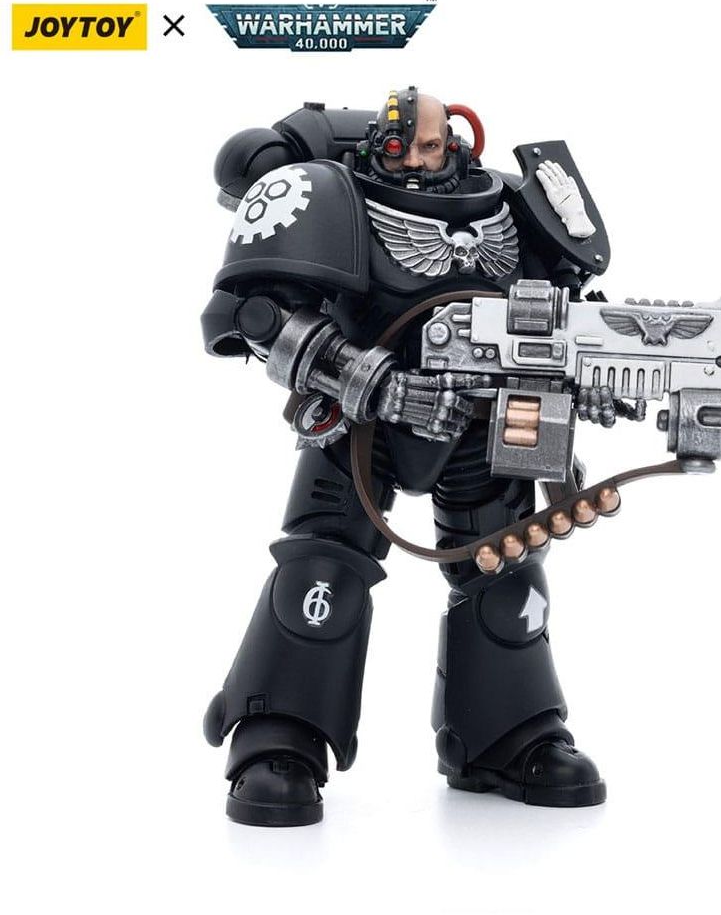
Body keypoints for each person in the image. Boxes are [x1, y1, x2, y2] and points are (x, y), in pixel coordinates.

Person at [201, 86, 612, 826]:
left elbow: (564, 320)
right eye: (404, 149)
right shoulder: (342, 198)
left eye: (433, 145)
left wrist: (577, 399)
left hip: (488, 425)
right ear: (377, 147)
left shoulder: (513, 205)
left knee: (503, 570)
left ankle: (507, 735)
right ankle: (279, 732)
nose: (421, 160)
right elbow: (254, 316)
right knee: (324, 567)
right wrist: (369, 380)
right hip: (365, 427)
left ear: (457, 141)